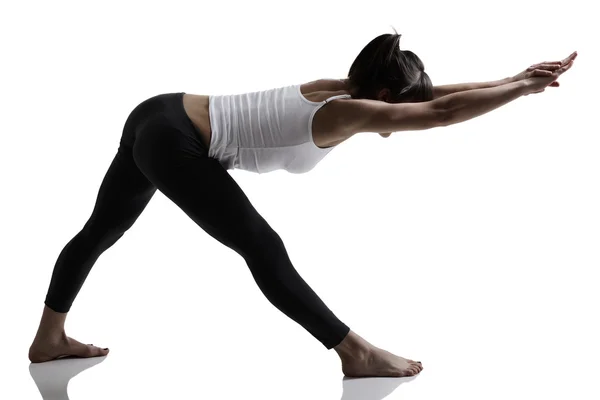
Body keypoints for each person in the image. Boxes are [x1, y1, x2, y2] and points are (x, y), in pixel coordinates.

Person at [27, 31, 577, 377]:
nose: (399, 119)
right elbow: (438, 114)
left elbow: (432, 98)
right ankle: (354, 352)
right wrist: (521, 92)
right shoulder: (348, 113)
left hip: (159, 112)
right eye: (396, 109)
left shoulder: (345, 87)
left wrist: (512, 76)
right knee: (263, 247)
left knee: (100, 230)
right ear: (383, 99)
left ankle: (49, 339)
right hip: (175, 142)